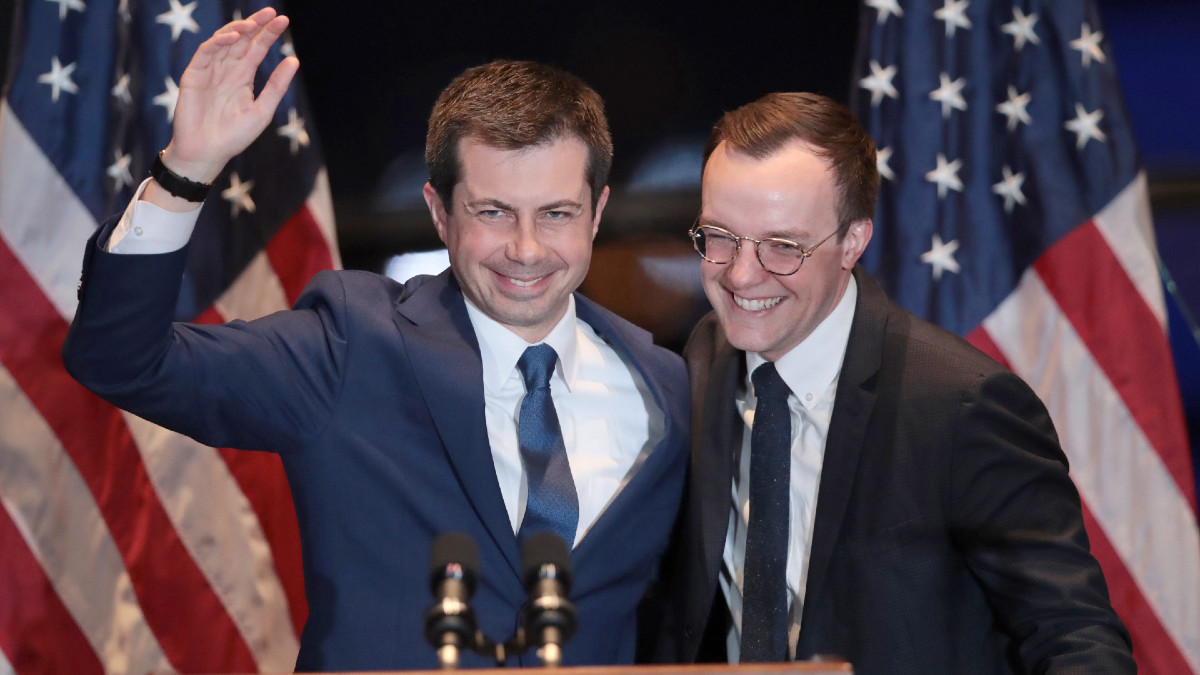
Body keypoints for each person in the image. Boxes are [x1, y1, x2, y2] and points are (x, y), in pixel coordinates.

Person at [61, 9, 688, 671]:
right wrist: (186, 169)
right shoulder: (349, 344)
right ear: (439, 213)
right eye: (493, 212)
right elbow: (120, 358)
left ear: (597, 214)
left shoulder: (666, 388)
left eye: (556, 214)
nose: (526, 248)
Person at [648, 92, 1134, 673]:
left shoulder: (963, 406)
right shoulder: (702, 358)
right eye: (719, 236)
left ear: (853, 242)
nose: (741, 274)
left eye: (783, 246)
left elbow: (1073, 637)